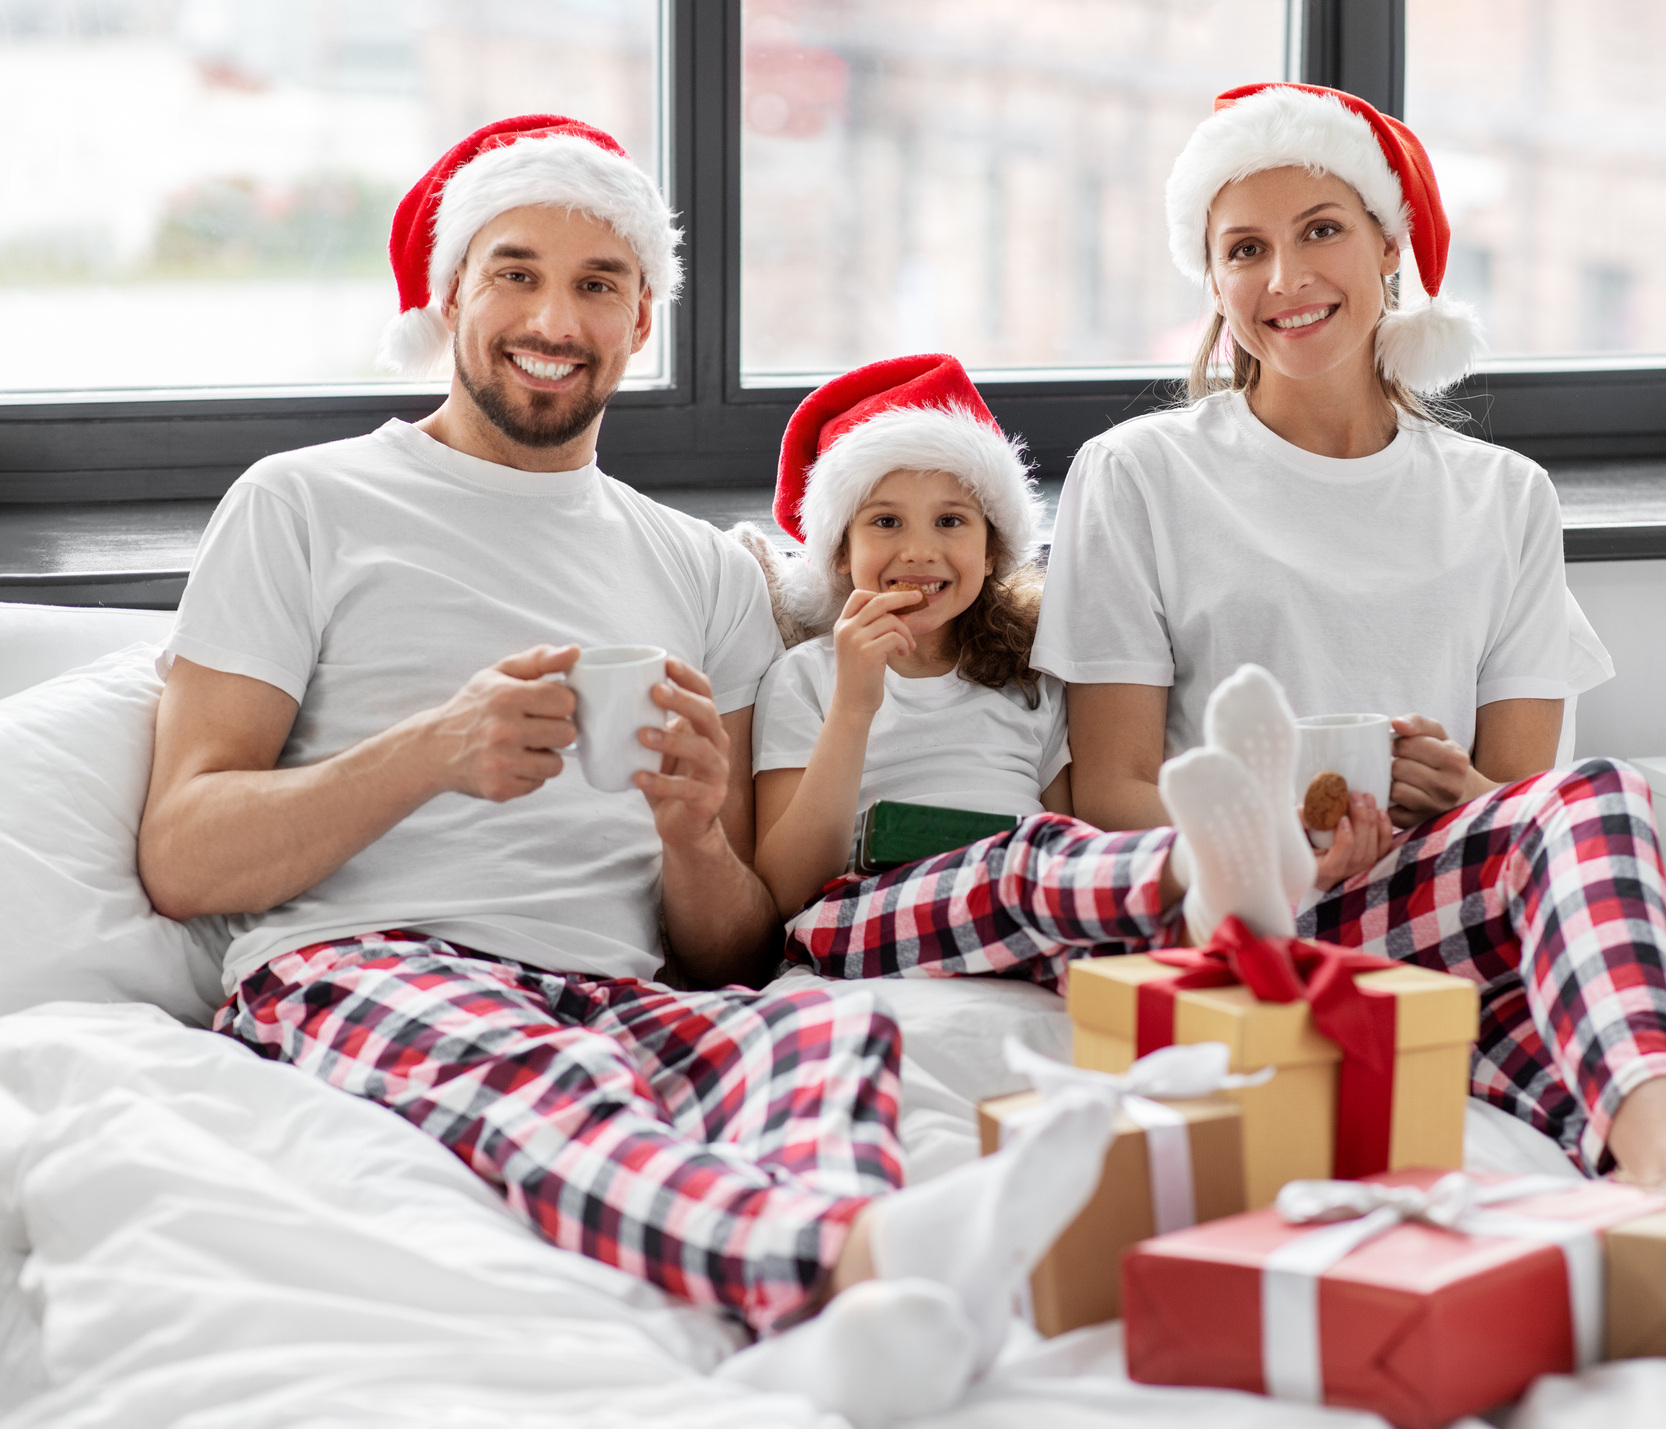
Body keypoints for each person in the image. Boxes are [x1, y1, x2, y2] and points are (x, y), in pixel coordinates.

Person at [135, 115, 1123, 1428]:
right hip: (372, 961)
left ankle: (833, 1331)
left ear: (641, 320)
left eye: (598, 282)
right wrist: (429, 751)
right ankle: (859, 1265)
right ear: (446, 298)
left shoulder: (700, 570)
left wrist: (689, 840)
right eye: (516, 270)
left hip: (619, 986)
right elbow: (182, 851)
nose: (556, 313)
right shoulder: (304, 505)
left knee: (820, 1026)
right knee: (555, 1084)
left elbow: (726, 950)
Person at [1028, 82, 1666, 1281]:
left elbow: (1523, 794)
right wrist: (1276, 832)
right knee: (1574, 899)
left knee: (1572, 952)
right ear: (1211, 282)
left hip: (1442, 899)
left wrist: (1459, 796)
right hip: (1244, 904)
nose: (1284, 275)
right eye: (1242, 248)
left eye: (1321, 229)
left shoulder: (1502, 495)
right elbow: (1108, 789)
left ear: (1390, 250)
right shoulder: (1139, 475)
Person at [741, 354, 1390, 985]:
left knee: (1134, 940)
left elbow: (1077, 847)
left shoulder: (1028, 681)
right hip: (856, 914)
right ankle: (1210, 849)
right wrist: (855, 705)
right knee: (1024, 866)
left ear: (993, 548)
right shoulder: (808, 678)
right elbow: (788, 884)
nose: (919, 550)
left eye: (951, 521)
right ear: (839, 553)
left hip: (1023, 910)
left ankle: (1260, 882)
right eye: (885, 521)